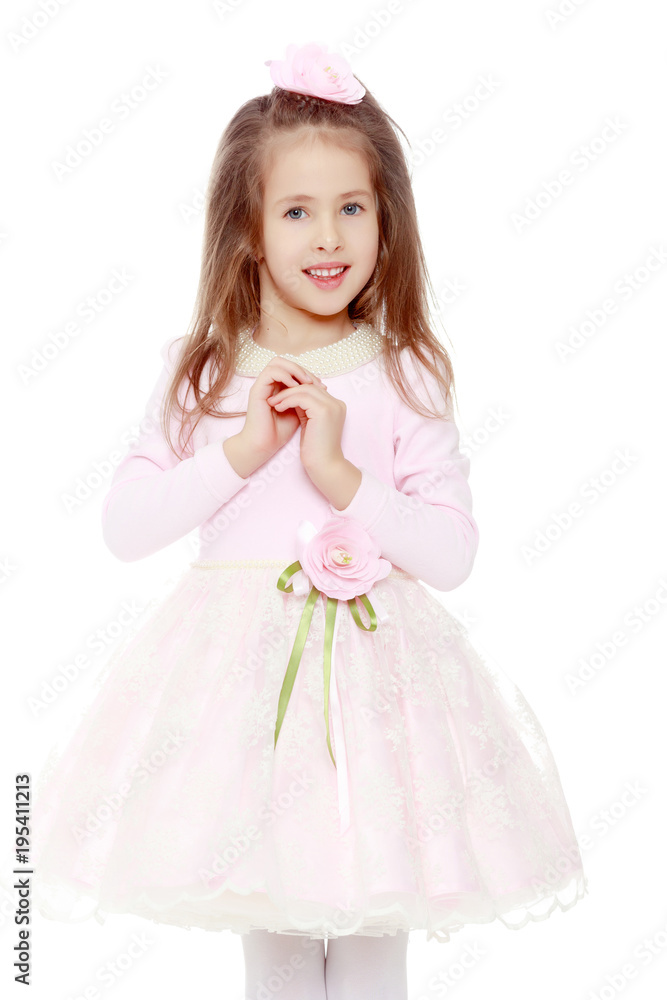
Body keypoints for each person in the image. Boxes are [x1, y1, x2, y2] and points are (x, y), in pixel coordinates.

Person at [25, 41, 588, 1000]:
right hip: (239, 705)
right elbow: (125, 527)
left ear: (384, 222)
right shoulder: (199, 371)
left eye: (351, 209)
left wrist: (338, 473)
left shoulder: (403, 368)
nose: (327, 237)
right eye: (296, 211)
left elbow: (450, 551)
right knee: (275, 942)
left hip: (381, 703)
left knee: (373, 938)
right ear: (246, 230)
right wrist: (241, 451)